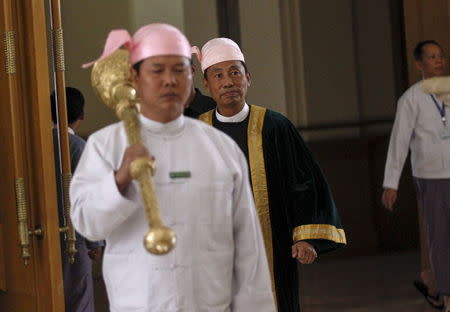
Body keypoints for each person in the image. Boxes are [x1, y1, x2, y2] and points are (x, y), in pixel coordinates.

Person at [70, 23, 275, 312]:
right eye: (157, 70)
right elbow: (87, 223)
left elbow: (248, 248)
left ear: (192, 77)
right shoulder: (107, 146)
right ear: (135, 78)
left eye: (179, 70)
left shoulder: (220, 148)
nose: (169, 80)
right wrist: (120, 180)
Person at [194, 38, 346, 312]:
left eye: (234, 72)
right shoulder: (196, 132)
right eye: (218, 75)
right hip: (212, 249)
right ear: (207, 84)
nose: (228, 82)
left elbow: (304, 182)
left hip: (270, 245)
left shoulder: (275, 126)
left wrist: (305, 236)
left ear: (248, 78)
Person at [382, 40, 449, 311]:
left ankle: (433, 283)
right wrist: (391, 183)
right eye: (431, 57)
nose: (438, 61)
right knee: (440, 239)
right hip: (431, 176)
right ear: (420, 64)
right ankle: (445, 296)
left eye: (440, 56)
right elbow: (399, 142)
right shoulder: (410, 99)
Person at [51, 87, 104, 312]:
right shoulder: (78, 147)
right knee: (79, 301)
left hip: (42, 235)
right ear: (82, 114)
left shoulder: (36, 145)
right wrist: (96, 242)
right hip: (75, 236)